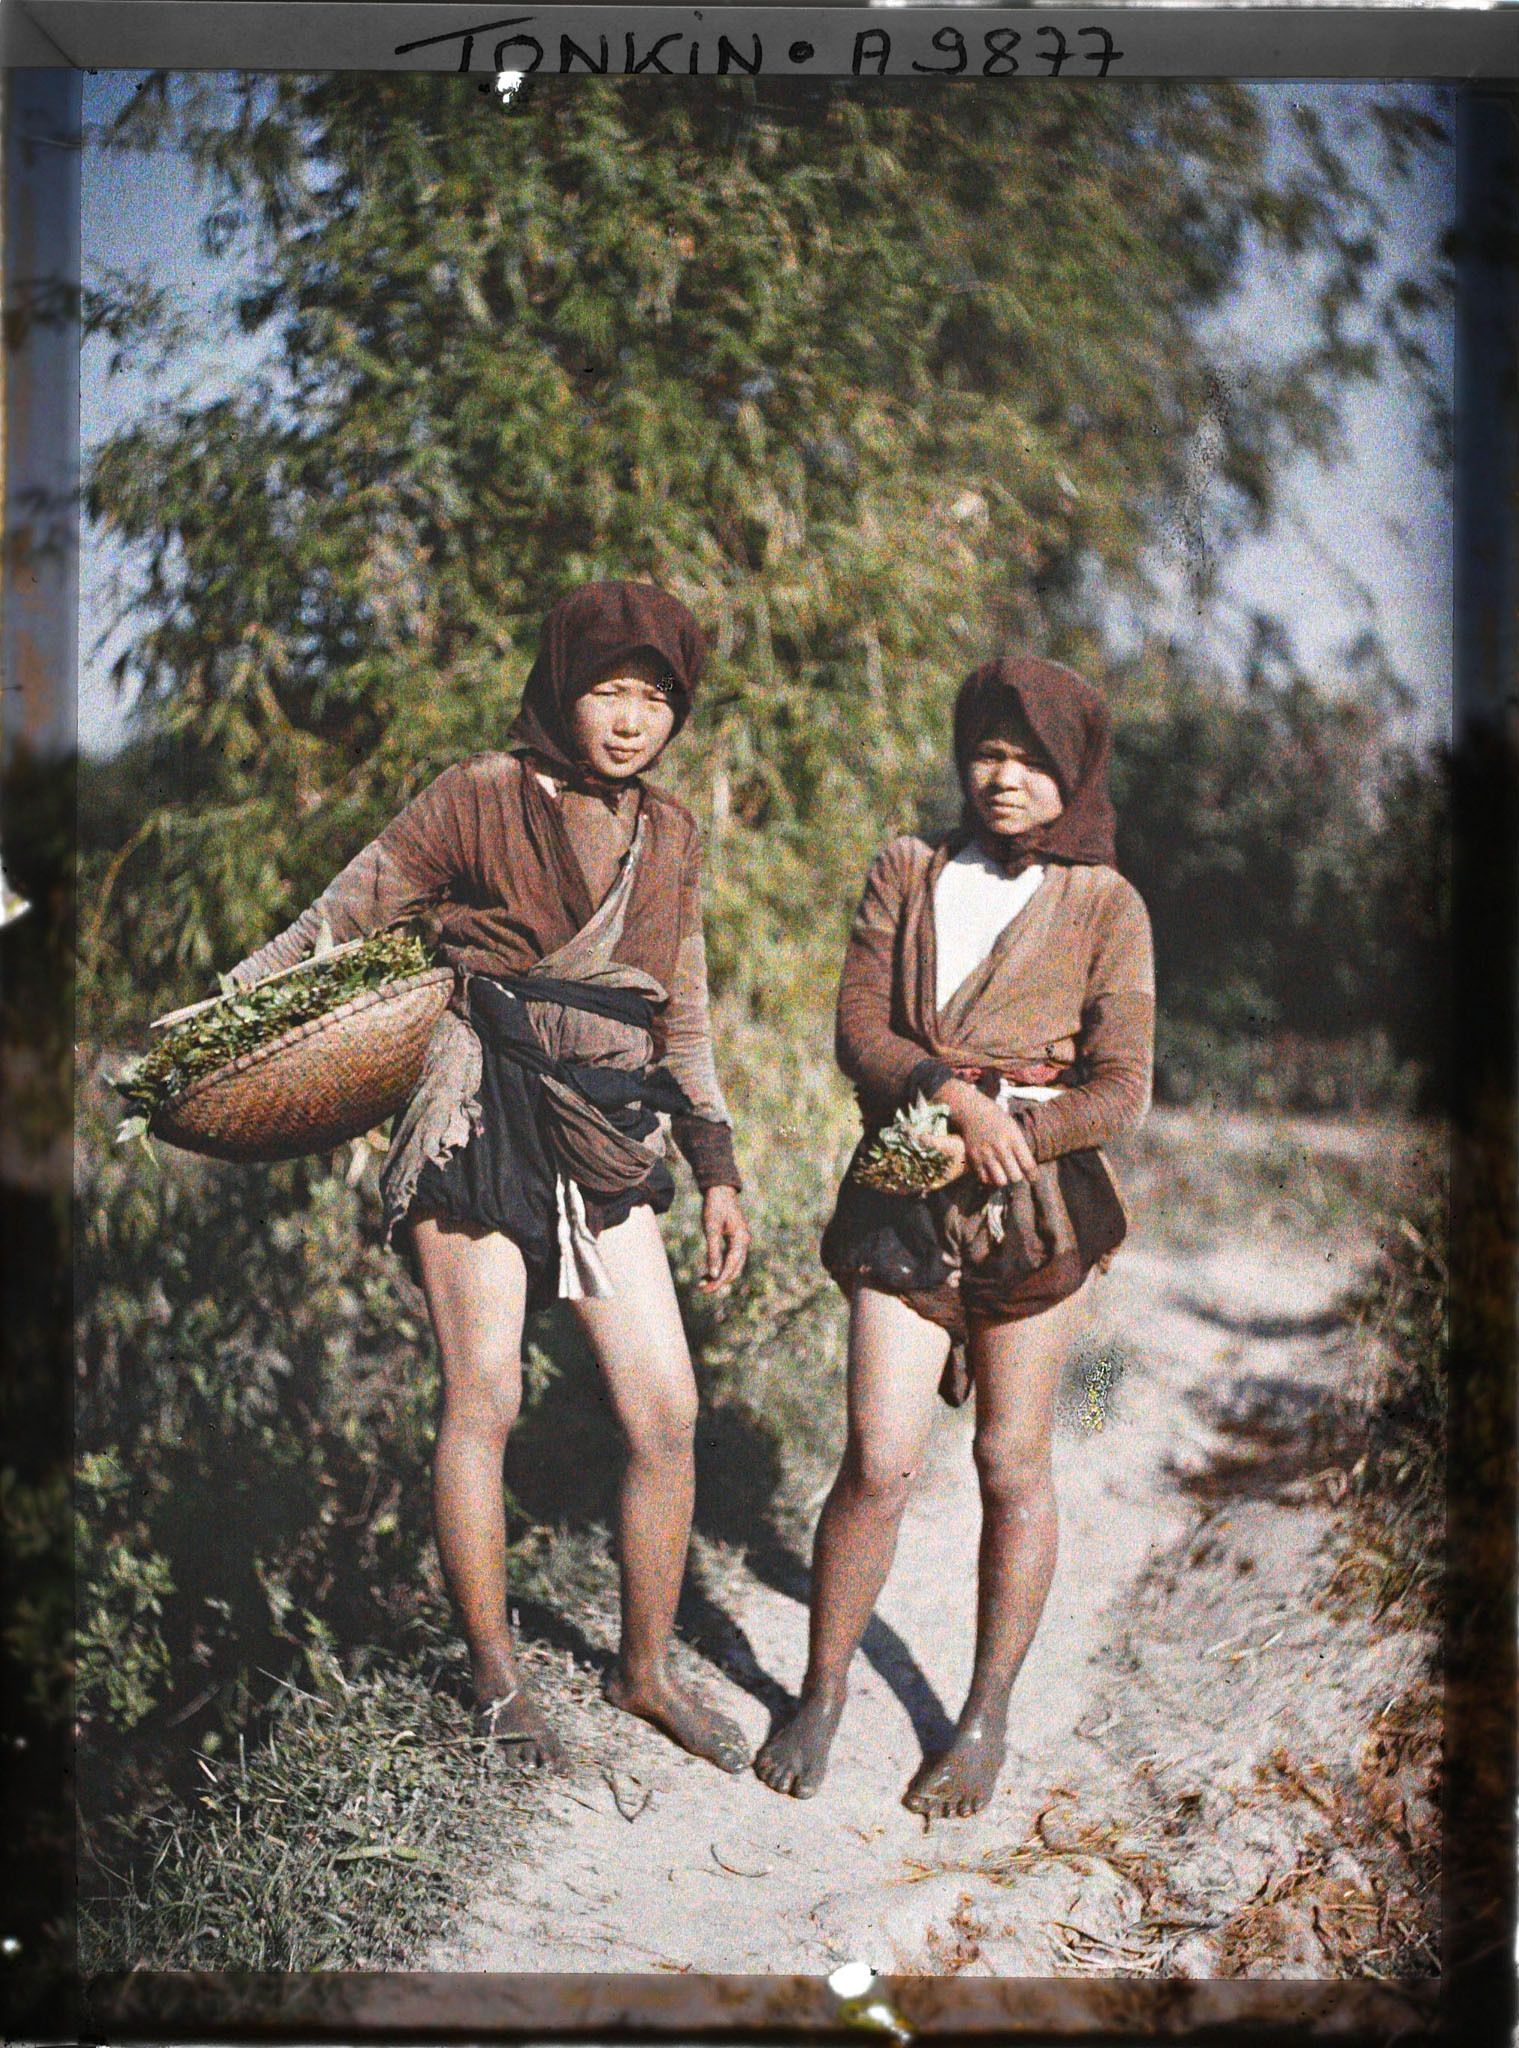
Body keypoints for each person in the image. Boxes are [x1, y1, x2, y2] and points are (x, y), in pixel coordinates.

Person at [229, 581, 752, 1773]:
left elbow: (681, 1011)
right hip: (474, 1111)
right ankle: (496, 1678)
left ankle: (644, 1670)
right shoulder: (478, 793)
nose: (629, 719)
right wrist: (215, 1024)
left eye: (655, 696)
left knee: (666, 1410)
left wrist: (716, 1164)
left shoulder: (672, 832)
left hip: (608, 1125)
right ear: (561, 688)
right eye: (606, 690)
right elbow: (333, 921)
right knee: (486, 1394)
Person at [755, 655, 1154, 1817]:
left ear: (1075, 772)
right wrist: (953, 1097)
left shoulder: (1106, 904)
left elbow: (1121, 1086)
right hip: (903, 1186)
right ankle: (822, 1689)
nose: (1004, 777)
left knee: (1010, 1461)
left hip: (1037, 1209)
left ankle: (982, 1717)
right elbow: (860, 1031)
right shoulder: (908, 867)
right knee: (879, 1457)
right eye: (987, 751)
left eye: (1033, 759)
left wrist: (1018, 1129)